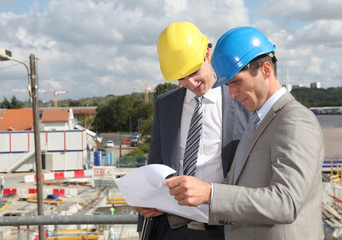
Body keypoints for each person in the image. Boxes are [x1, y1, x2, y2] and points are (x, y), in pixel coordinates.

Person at [165, 26, 325, 239]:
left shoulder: (295, 119)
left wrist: (210, 193)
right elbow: (234, 187)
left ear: (266, 70)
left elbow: (286, 202)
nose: (232, 94)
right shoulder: (256, 122)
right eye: (228, 85)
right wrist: (175, 200)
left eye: (237, 82)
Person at [135, 21, 250, 240]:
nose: (191, 83)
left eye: (194, 72)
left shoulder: (243, 104)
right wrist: (144, 222)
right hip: (169, 229)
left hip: (224, 229)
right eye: (182, 78)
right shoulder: (164, 104)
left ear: (208, 53)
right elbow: (155, 162)